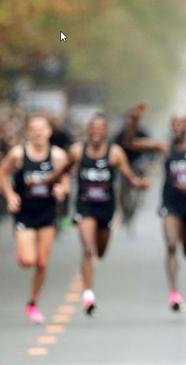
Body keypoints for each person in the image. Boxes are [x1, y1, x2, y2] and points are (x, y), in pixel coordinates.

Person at [46, 114, 149, 316]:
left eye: (100, 128)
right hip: (85, 206)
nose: (96, 131)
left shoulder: (115, 153)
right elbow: (62, 171)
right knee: (87, 249)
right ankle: (88, 294)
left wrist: (139, 184)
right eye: (92, 127)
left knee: (100, 251)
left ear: (105, 132)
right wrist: (47, 183)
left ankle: (90, 281)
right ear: (88, 130)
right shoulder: (77, 151)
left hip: (106, 207)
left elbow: (129, 177)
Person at [126, 113, 186, 312]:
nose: (177, 127)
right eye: (174, 124)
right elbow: (131, 143)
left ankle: (176, 284)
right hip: (171, 204)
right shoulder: (165, 147)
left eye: (181, 124)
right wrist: (134, 120)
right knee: (170, 245)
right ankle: (174, 294)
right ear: (171, 127)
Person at [0, 116, 69, 324]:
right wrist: (10, 195)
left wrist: (61, 190)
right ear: (28, 133)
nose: (38, 133)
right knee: (28, 260)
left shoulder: (57, 156)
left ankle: (32, 303)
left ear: (49, 131)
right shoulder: (18, 154)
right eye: (34, 129)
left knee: (42, 263)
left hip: (47, 213)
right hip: (25, 213)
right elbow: (2, 173)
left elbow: (66, 182)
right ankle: (22, 249)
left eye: (42, 129)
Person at [113, 103, 151, 226]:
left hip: (138, 162)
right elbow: (111, 148)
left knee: (141, 173)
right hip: (124, 164)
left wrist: (151, 163)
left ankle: (138, 198)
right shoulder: (120, 133)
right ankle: (123, 207)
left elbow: (151, 149)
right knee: (122, 187)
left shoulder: (142, 132)